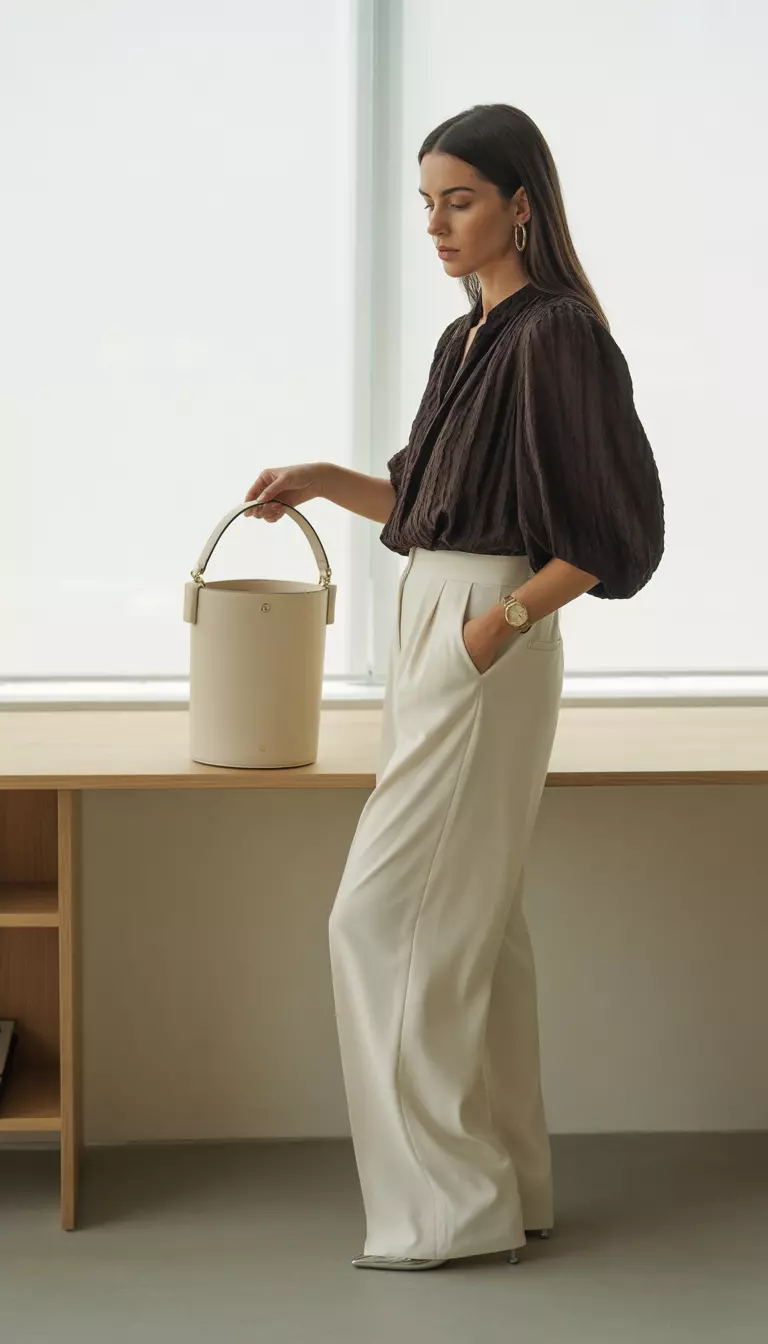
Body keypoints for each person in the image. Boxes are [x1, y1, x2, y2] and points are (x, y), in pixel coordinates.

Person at [243, 103, 665, 1274]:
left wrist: (494, 630)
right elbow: (428, 501)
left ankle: (447, 1212)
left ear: (521, 202)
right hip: (444, 616)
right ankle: (505, 1190)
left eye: (460, 199)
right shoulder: (464, 338)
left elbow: (611, 534)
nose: (435, 223)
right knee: (476, 922)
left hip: (486, 631)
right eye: (424, 203)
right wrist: (328, 480)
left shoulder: (557, 335)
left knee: (380, 922)